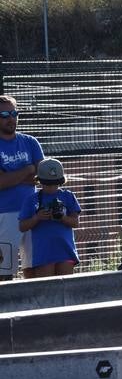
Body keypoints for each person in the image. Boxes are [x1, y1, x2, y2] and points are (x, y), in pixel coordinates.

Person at [0, 95, 43, 281]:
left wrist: (11, 176)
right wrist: (28, 169)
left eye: (14, 113)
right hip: (4, 215)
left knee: (35, 269)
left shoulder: (31, 142)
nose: (11, 118)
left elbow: (44, 176)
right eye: (4, 114)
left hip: (34, 214)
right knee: (4, 272)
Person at [17, 158, 80, 278]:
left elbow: (75, 223)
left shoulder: (68, 196)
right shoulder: (31, 200)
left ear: (61, 181)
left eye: (55, 183)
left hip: (65, 251)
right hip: (43, 253)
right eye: (47, 184)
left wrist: (62, 217)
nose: (51, 188)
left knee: (66, 288)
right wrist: (37, 217)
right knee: (46, 290)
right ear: (40, 181)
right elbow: (22, 226)